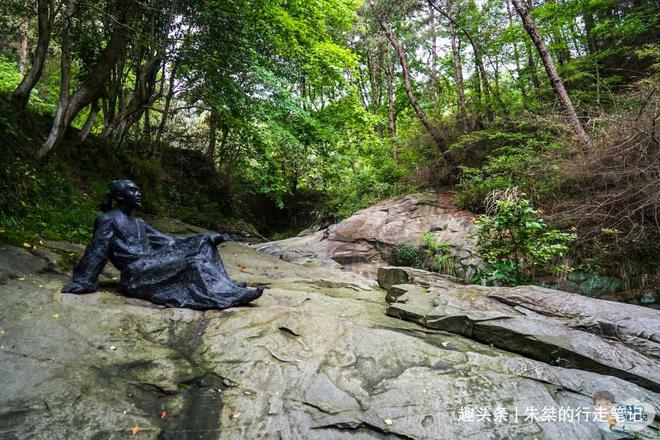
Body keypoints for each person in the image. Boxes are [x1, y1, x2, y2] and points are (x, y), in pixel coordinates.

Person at [62, 180, 263, 310]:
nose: (139, 193)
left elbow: (169, 242)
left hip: (152, 263)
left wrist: (208, 238)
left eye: (138, 189)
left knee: (204, 243)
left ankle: (224, 285)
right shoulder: (107, 219)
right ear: (121, 196)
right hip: (136, 273)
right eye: (133, 190)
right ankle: (227, 295)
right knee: (192, 263)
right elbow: (97, 250)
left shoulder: (139, 223)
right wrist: (85, 280)